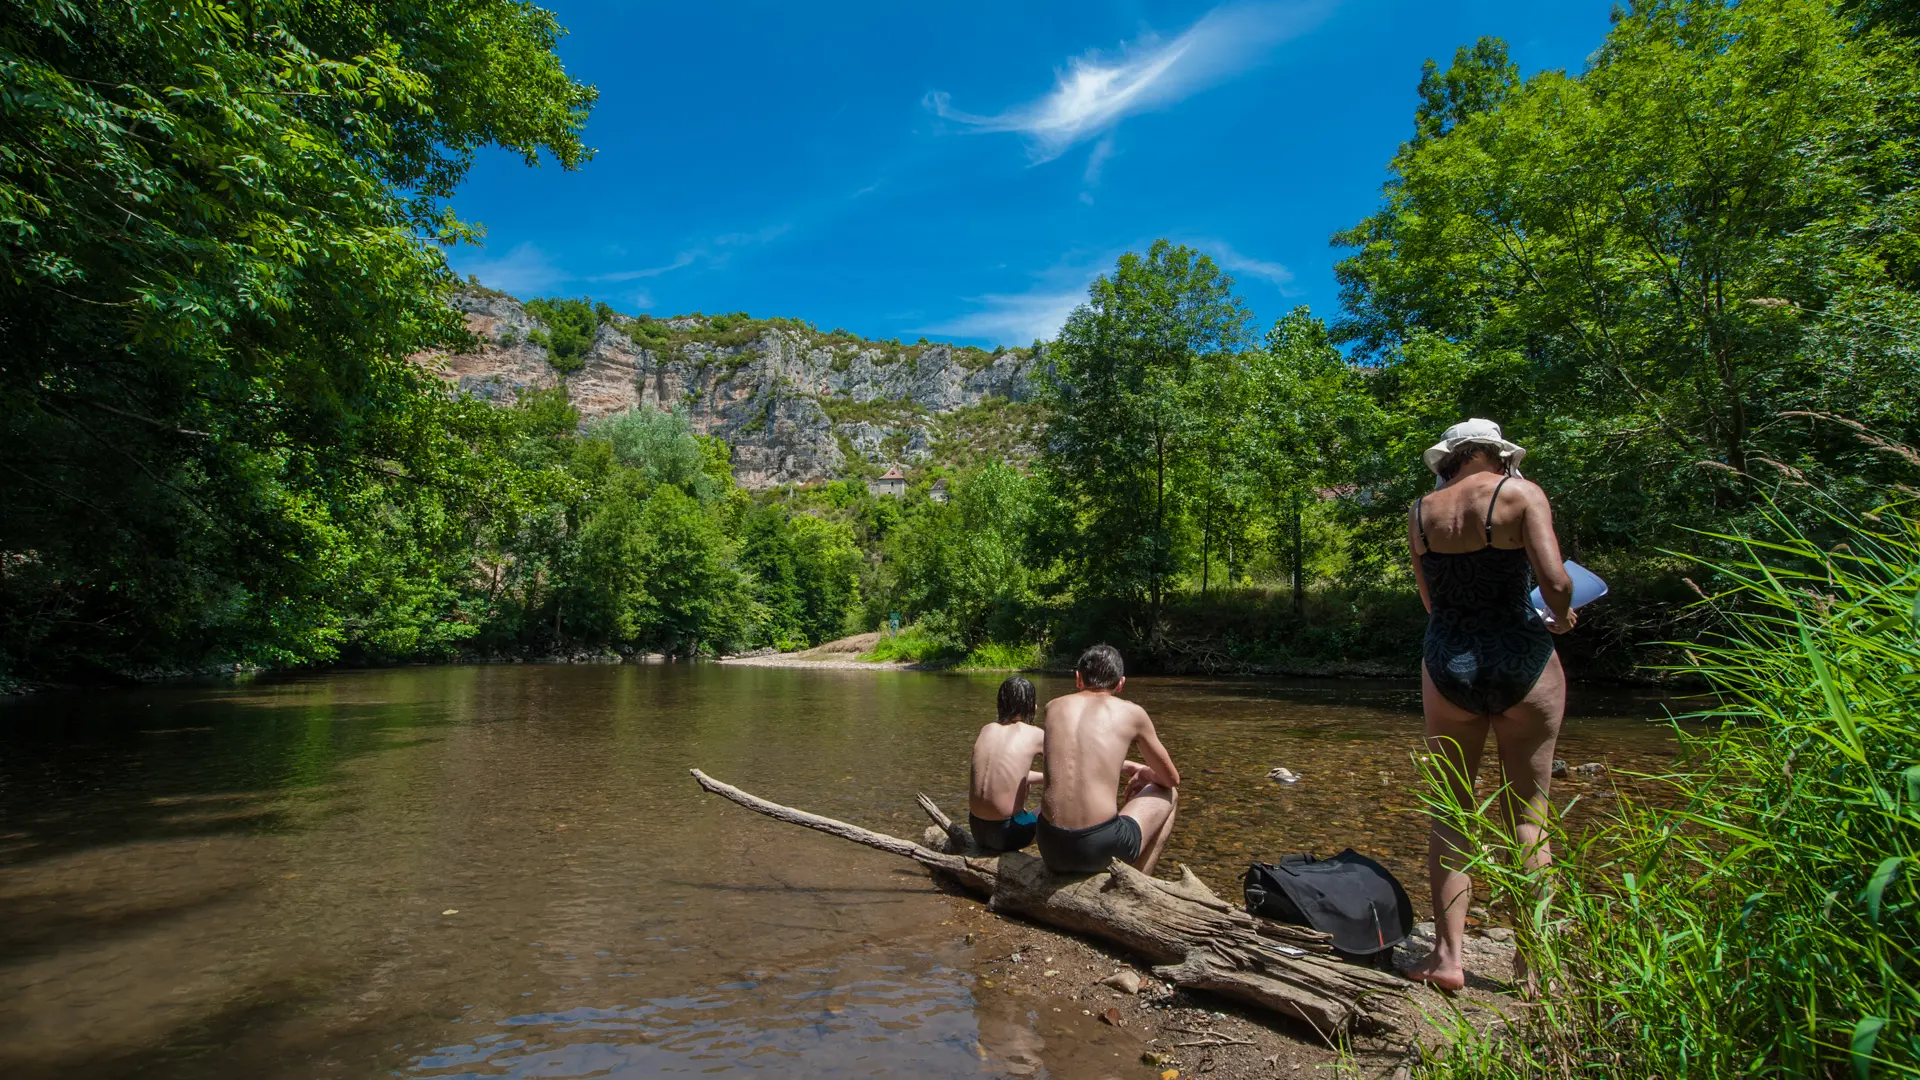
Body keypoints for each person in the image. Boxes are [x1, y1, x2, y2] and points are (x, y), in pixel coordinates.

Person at [1403, 418, 1575, 993]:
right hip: (1521, 657)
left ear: (1453, 457)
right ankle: (1533, 967)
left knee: (1451, 811)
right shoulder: (1520, 494)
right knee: (1529, 818)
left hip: (1448, 660)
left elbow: (1432, 601)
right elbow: (1555, 583)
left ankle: (1448, 959)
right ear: (1488, 453)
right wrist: (1564, 613)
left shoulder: (1420, 512)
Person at [1036, 645, 1180, 875]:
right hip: (1096, 848)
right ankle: (1139, 883)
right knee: (1170, 795)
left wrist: (1130, 766)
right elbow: (1171, 779)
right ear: (1121, 683)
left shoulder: (1053, 707)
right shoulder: (1132, 714)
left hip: (1049, 844)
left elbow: (1076, 759)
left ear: (1078, 678)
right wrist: (1144, 773)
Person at [968, 676, 1046, 853]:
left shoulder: (986, 729)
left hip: (977, 829)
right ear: (1033, 708)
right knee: (1063, 792)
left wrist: (1039, 779)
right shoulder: (1035, 734)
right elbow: (1067, 768)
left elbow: (1009, 774)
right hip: (1009, 835)